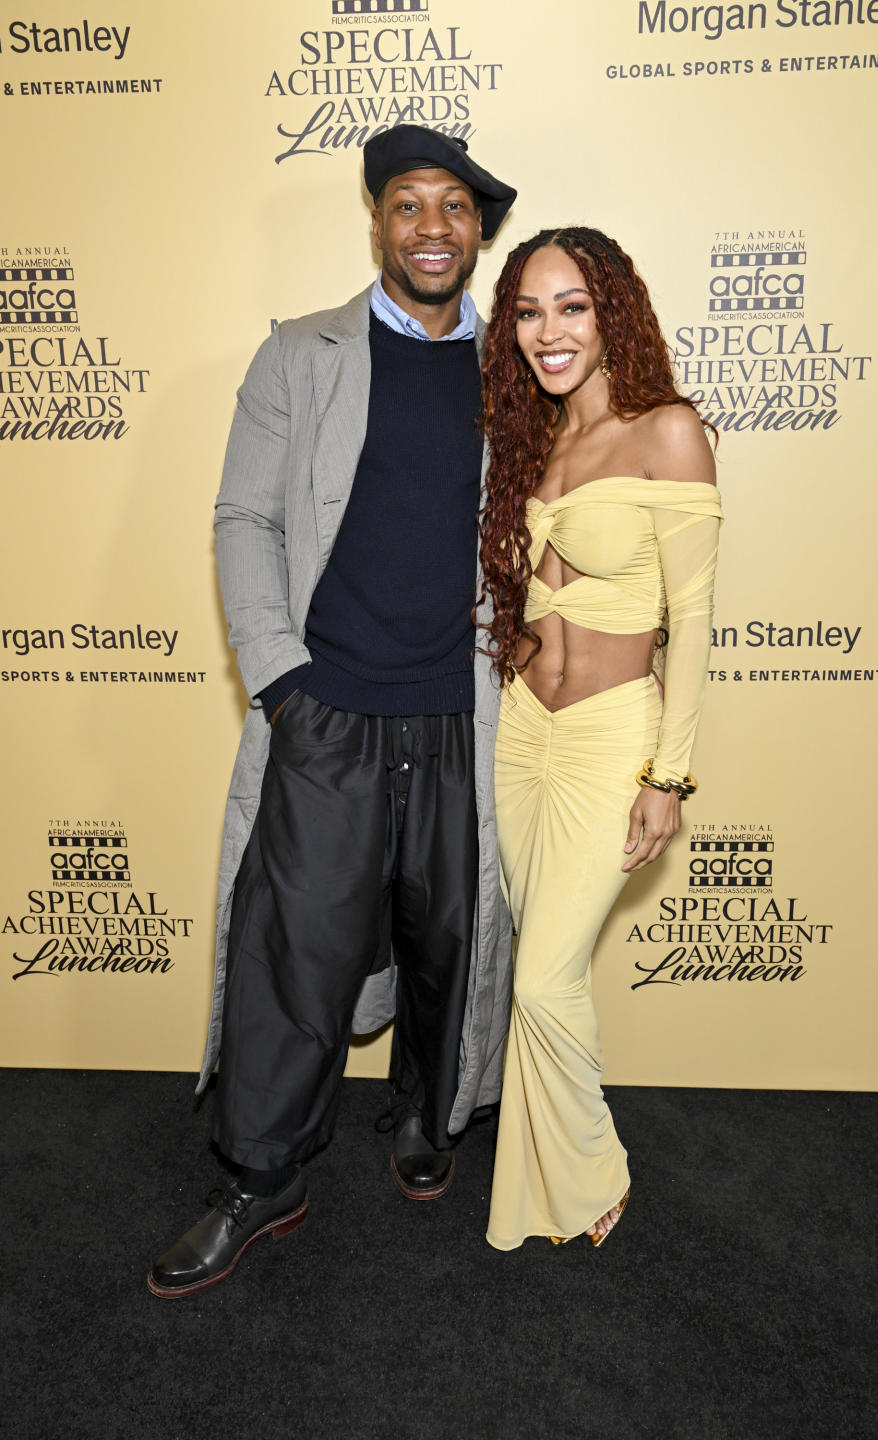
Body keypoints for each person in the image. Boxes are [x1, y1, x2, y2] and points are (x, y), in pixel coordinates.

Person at [148, 126, 517, 1298]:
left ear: (478, 229)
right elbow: (243, 520)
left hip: (464, 717)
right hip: (328, 714)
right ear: (376, 220)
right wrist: (280, 680)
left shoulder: (519, 370)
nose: (431, 229)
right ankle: (261, 1174)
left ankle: (425, 1117)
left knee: (448, 939)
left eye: (454, 207)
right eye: (408, 205)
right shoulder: (300, 354)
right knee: (292, 956)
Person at [478, 228, 722, 1251]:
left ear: (610, 309)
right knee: (546, 967)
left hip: (609, 737)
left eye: (570, 306)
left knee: (542, 977)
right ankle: (549, 1174)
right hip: (523, 730)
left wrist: (668, 776)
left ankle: (596, 1163)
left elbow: (697, 622)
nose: (549, 332)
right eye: (529, 313)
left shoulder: (667, 433)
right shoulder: (537, 442)